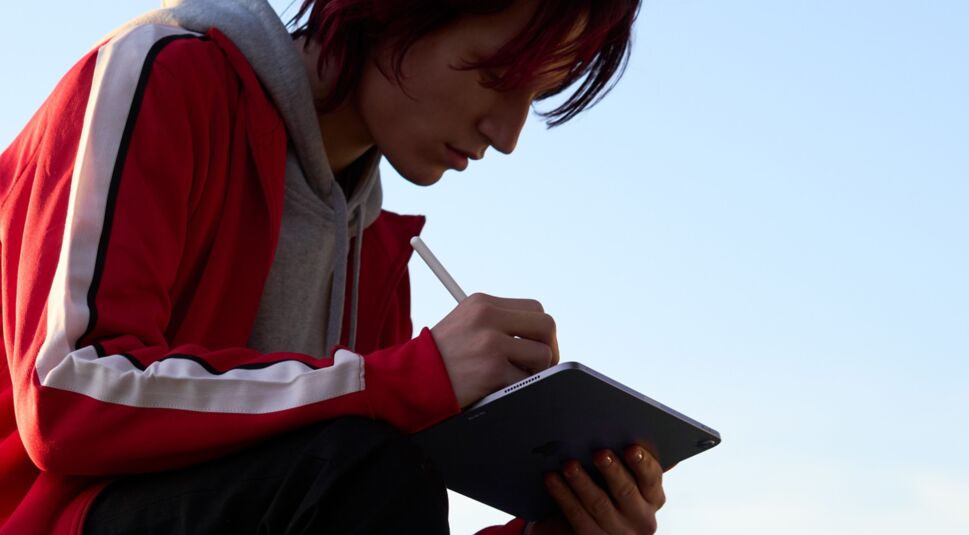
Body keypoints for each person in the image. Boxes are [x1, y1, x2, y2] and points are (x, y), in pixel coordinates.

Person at [0, 0, 666, 533]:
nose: (508, 133)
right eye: (496, 75)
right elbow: (67, 396)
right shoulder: (161, 71)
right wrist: (404, 378)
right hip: (45, 513)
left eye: (539, 94)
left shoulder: (375, 247)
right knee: (364, 466)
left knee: (378, 471)